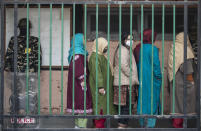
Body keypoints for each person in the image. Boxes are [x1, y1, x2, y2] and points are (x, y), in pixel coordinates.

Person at [5, 18, 42, 127]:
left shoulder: (33, 40)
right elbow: (8, 56)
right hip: (21, 74)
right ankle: (21, 118)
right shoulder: (15, 40)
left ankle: (25, 118)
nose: (23, 29)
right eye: (23, 28)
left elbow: (38, 58)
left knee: (26, 96)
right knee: (21, 95)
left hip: (25, 74)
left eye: (23, 28)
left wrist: (34, 70)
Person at [133, 29, 162, 128]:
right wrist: (159, 78)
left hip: (140, 79)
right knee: (151, 101)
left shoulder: (138, 48)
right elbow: (156, 66)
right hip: (151, 80)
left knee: (142, 100)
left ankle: (142, 123)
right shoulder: (153, 49)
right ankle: (149, 125)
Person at [167, 32, 196, 128]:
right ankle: (179, 125)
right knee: (183, 105)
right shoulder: (185, 50)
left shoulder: (174, 48)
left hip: (174, 81)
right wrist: (192, 82)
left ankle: (176, 123)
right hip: (184, 83)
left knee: (176, 104)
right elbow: (187, 70)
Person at [88, 37, 116, 128]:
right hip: (100, 88)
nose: (106, 48)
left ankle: (98, 124)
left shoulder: (101, 55)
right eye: (105, 46)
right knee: (100, 105)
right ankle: (98, 125)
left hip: (104, 86)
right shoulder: (95, 57)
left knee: (103, 105)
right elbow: (97, 73)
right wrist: (100, 86)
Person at [66, 33, 93, 128]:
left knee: (78, 104)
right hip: (80, 84)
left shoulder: (78, 52)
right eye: (83, 39)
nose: (85, 41)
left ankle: (78, 125)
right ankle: (81, 126)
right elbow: (77, 68)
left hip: (77, 84)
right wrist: (82, 80)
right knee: (82, 104)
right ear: (79, 40)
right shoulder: (77, 53)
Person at [113, 32, 139, 128]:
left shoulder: (127, 49)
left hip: (126, 81)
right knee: (125, 106)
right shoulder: (122, 50)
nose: (131, 41)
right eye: (128, 39)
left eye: (132, 39)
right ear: (124, 40)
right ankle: (122, 125)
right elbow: (124, 66)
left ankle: (123, 124)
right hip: (124, 82)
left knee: (126, 106)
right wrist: (132, 75)